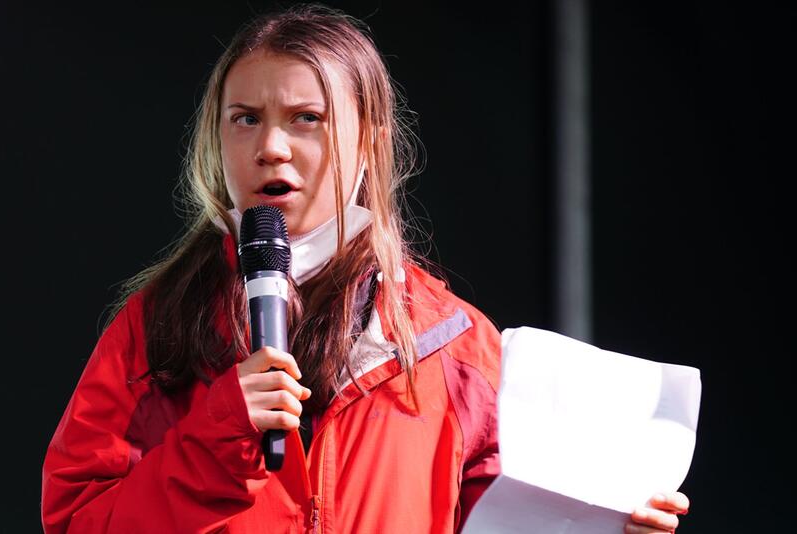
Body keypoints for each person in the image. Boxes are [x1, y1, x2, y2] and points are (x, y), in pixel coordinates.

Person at [41, 4, 690, 533]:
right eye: (245, 119)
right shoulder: (154, 328)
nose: (271, 146)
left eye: (307, 119)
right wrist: (218, 434)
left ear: (370, 143)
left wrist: (607, 529)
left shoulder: (456, 347)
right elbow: (76, 523)